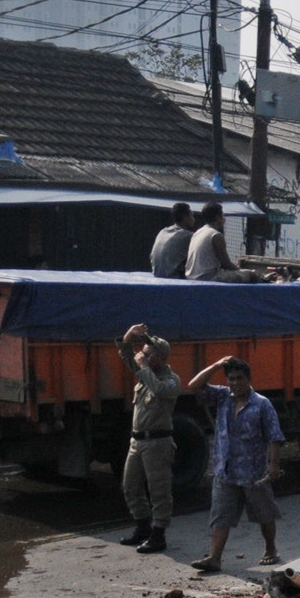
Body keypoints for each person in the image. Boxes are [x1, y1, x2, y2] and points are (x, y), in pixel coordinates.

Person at [186, 354, 284, 574]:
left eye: (239, 378)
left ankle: (270, 548)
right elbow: (194, 386)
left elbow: (274, 437)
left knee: (264, 514)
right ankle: (215, 558)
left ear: (248, 379)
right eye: (231, 379)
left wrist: (274, 465)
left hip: (254, 473)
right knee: (221, 515)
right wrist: (216, 365)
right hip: (225, 470)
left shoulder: (262, 404)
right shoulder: (223, 397)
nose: (235, 383)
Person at [116, 322, 182, 554]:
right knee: (130, 486)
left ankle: (158, 535)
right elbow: (125, 352)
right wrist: (129, 335)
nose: (141, 356)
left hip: (158, 442)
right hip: (138, 441)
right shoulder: (146, 375)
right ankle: (142, 527)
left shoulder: (170, 379)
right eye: (143, 352)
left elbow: (162, 391)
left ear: (159, 357)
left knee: (159, 490)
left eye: (147, 353)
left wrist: (143, 368)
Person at [185, 202, 239, 281]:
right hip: (208, 277)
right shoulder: (216, 235)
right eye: (222, 215)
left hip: (190, 276)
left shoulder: (198, 232)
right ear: (217, 217)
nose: (224, 218)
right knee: (251, 275)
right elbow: (226, 264)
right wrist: (242, 271)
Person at [150, 203, 196, 278]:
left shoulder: (163, 231)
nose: (194, 219)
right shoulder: (188, 235)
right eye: (192, 216)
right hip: (172, 277)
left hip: (156, 274)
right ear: (185, 217)